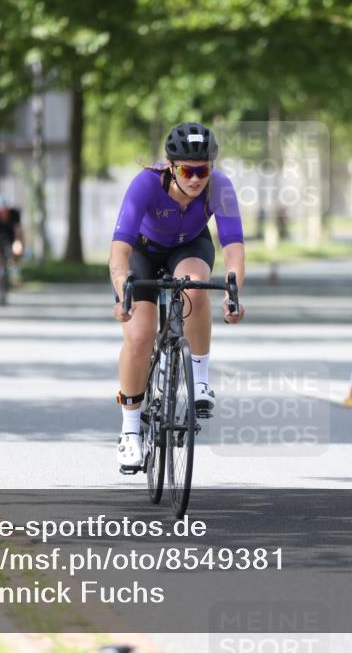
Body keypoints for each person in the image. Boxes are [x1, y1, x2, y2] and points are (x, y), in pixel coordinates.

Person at [108, 122, 246, 469]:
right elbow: (120, 251)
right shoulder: (145, 184)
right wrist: (123, 293)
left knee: (195, 287)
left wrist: (233, 294)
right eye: (187, 170)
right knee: (139, 335)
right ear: (170, 167)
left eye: (203, 171)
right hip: (143, 251)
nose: (196, 179)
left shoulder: (220, 188)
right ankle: (130, 431)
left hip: (189, 247)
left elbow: (234, 249)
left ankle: (200, 380)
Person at [0, 193, 25, 306]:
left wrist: (18, 244)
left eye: (5, 210)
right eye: (1, 211)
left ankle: (15, 266)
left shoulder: (14, 214)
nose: (3, 212)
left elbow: (18, 230)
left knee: (18, 248)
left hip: (12, 237)